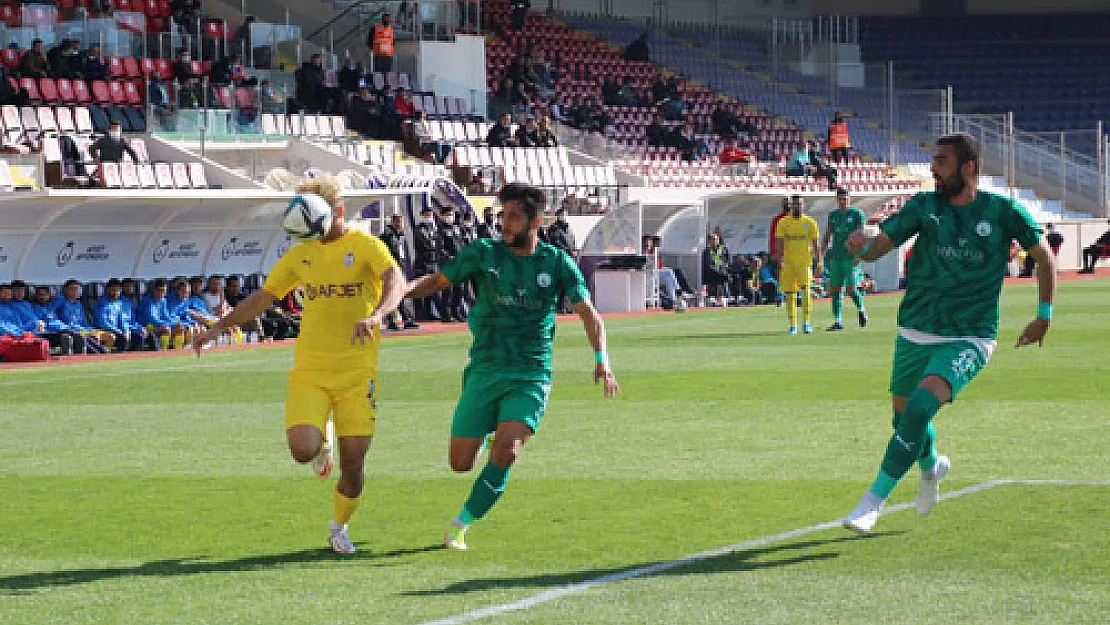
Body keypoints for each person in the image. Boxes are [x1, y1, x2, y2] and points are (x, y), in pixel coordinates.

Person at [841, 133, 1055, 533]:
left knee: (921, 408)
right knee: (903, 420)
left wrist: (1044, 315)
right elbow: (880, 245)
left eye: (941, 161)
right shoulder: (924, 205)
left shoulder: (1002, 211)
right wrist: (861, 246)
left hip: (970, 335)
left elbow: (1044, 258)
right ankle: (932, 465)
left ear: (968, 167)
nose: (932, 168)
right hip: (917, 329)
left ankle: (872, 502)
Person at [193, 178, 406, 554]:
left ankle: (339, 526)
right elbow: (263, 297)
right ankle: (321, 440)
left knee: (354, 466)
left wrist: (377, 317)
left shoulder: (365, 246)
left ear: (336, 213)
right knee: (302, 450)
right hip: (311, 369)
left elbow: (396, 280)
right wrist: (220, 327)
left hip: (357, 372)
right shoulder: (301, 254)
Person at [404, 183, 620, 550]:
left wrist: (603, 360)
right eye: (503, 215)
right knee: (460, 463)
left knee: (507, 451)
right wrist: (400, 292)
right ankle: (493, 431)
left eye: (514, 217)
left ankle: (462, 523)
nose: (505, 223)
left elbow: (590, 315)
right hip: (485, 369)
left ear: (535, 221)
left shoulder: (556, 263)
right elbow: (437, 281)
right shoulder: (484, 253)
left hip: (530, 374)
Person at [821, 187, 869, 331]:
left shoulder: (857, 214)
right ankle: (838, 320)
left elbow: (862, 235)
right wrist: (820, 256)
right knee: (835, 289)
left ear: (849, 199)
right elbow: (828, 235)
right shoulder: (833, 215)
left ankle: (861, 310)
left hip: (851, 257)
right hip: (836, 257)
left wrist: (859, 255)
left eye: (845, 199)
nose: (843, 202)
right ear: (837, 200)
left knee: (851, 289)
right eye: (840, 199)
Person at [774, 195, 821, 334]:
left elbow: (816, 244)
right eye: (794, 204)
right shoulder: (783, 223)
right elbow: (778, 244)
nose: (797, 207)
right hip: (788, 264)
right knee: (790, 294)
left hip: (804, 263)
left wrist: (819, 262)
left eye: (799, 204)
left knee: (806, 291)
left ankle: (806, 322)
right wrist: (779, 260)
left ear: (803, 205)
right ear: (791, 206)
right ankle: (792, 324)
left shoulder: (810, 222)